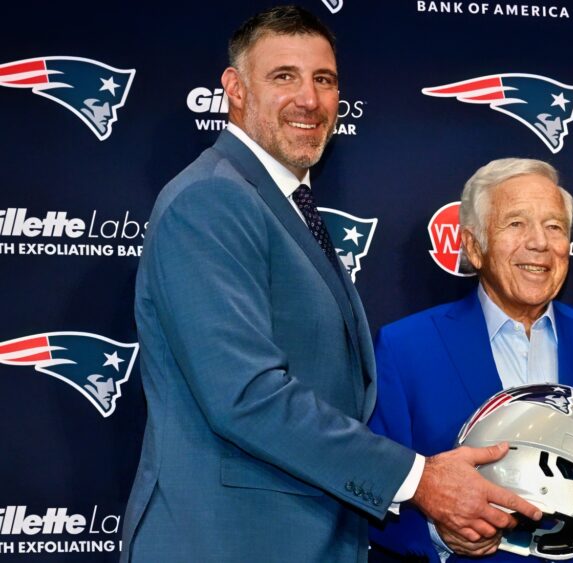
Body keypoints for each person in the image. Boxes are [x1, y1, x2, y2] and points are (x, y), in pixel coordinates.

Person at [120, 7, 539, 562]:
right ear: (234, 89)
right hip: (227, 541)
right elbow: (245, 396)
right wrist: (420, 480)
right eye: (283, 76)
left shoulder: (284, 204)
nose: (309, 100)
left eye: (324, 80)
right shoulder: (212, 200)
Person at [368, 158, 573, 561]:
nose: (539, 242)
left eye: (554, 226)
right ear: (474, 247)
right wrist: (439, 533)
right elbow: (375, 487)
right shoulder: (404, 348)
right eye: (516, 223)